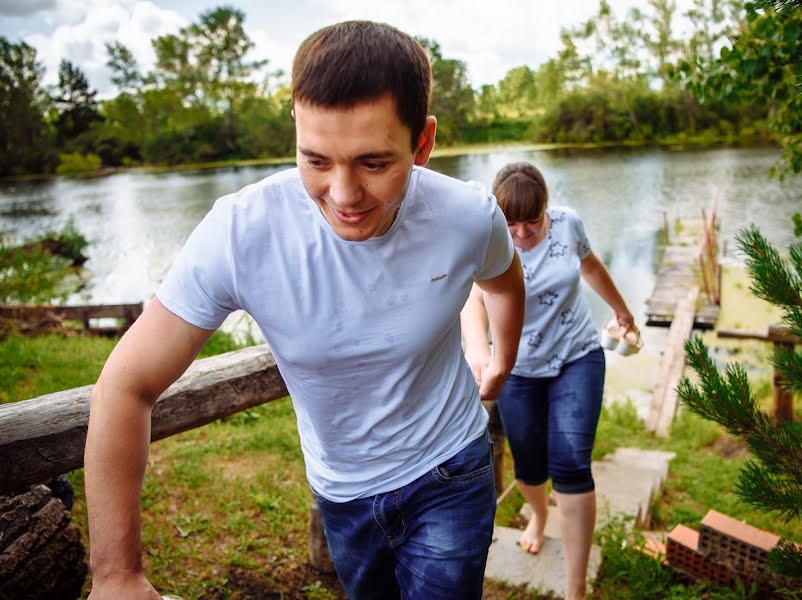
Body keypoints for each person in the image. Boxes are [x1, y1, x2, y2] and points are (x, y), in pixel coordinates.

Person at [84, 21, 524, 600]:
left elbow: (505, 283)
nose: (343, 196)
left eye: (373, 163)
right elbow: (125, 384)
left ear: (422, 144)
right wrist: (116, 575)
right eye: (315, 160)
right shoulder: (242, 233)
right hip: (341, 491)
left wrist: (498, 359)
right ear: (295, 129)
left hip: (448, 469)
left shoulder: (467, 217)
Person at [461, 162, 635, 600]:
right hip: (518, 367)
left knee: (572, 461)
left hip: (578, 355)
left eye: (532, 222)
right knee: (531, 465)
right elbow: (473, 298)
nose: (520, 233)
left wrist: (622, 310)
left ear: (547, 210)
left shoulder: (569, 225)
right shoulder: (488, 238)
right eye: (511, 223)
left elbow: (591, 265)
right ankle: (538, 516)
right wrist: (481, 351)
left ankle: (575, 589)